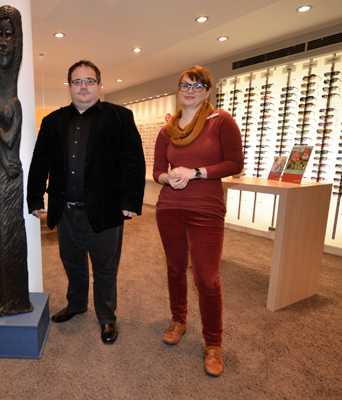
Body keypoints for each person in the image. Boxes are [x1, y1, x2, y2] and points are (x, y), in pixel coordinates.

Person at [27, 60, 145, 345]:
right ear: (69, 86)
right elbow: (40, 162)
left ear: (100, 85)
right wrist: (34, 197)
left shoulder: (120, 117)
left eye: (89, 81)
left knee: (105, 268)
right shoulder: (52, 121)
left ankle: (107, 318)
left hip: (106, 211)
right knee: (73, 263)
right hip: (66, 212)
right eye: (77, 81)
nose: (83, 86)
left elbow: (133, 162)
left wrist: (130, 200)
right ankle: (77, 305)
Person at [153, 65, 243, 377]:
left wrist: (196, 172)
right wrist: (168, 177)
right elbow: (156, 171)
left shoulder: (221, 121)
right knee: (175, 269)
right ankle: (178, 319)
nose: (190, 90)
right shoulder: (167, 130)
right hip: (169, 208)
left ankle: (213, 343)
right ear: (178, 90)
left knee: (207, 278)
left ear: (207, 91)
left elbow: (235, 163)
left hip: (206, 209)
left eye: (197, 85)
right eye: (185, 85)